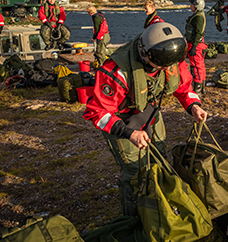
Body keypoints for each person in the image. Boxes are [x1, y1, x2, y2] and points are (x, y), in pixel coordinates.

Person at [83, 22, 207, 216]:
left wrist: (193, 106)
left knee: (159, 160)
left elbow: (184, 87)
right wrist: (128, 133)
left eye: (169, 65)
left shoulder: (170, 58)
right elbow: (97, 112)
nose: (167, 68)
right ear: (146, 55)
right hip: (122, 121)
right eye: (161, 66)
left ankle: (159, 207)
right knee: (135, 171)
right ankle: (133, 218)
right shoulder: (117, 70)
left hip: (150, 114)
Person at [185, 0, 208, 97]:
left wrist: (193, 46)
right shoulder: (199, 15)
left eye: (192, 4)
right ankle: (201, 87)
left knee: (196, 66)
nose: (190, 6)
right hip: (198, 43)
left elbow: (198, 32)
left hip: (196, 44)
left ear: (197, 5)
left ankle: (197, 89)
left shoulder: (198, 18)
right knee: (200, 66)